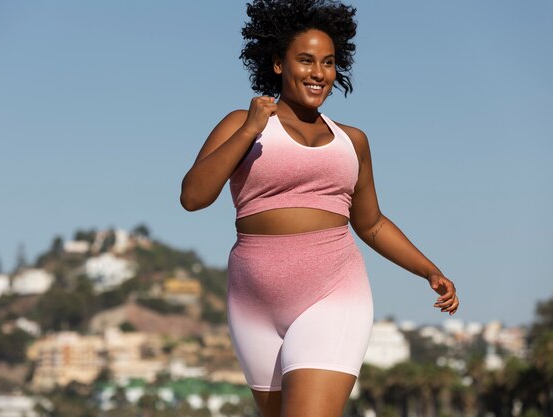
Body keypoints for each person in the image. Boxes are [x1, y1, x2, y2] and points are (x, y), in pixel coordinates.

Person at [180, 1, 459, 416]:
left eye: (328, 63)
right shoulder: (242, 123)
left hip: (332, 295)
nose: (318, 73)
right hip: (253, 305)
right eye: (306, 60)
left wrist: (429, 269)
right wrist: (250, 130)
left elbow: (373, 223)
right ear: (277, 62)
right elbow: (193, 197)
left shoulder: (353, 141)